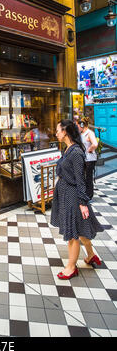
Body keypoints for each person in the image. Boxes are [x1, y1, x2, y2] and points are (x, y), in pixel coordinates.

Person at [50, 119, 104, 280]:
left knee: (72, 233)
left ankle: (71, 267)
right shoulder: (68, 149)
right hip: (67, 194)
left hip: (73, 196)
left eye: (58, 130)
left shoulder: (76, 153)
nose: (56, 133)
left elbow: (81, 180)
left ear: (65, 131)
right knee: (81, 227)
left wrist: (82, 203)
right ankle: (91, 255)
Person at [76, 117, 98, 199]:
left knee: (88, 177)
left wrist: (89, 150)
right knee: (83, 177)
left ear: (82, 125)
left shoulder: (90, 133)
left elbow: (95, 144)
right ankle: (84, 193)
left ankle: (89, 196)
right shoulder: (82, 133)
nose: (77, 127)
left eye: (78, 125)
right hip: (83, 159)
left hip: (89, 159)